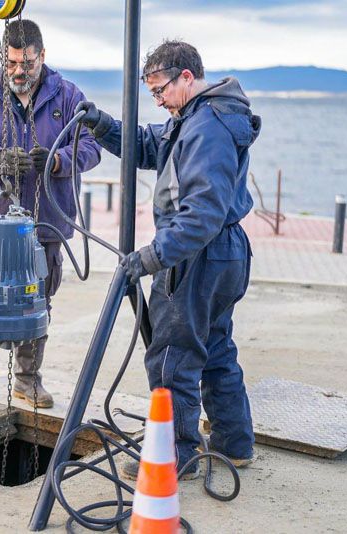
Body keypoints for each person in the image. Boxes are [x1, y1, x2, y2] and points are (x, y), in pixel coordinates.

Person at [78, 40, 260, 479]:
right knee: (214, 348)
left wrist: (152, 257)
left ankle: (175, 456)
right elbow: (148, 144)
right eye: (152, 93)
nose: (157, 101)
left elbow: (202, 212)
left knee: (172, 357)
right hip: (223, 253)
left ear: (186, 77)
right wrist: (102, 126)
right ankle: (234, 446)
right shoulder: (196, 118)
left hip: (197, 256)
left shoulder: (207, 127)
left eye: (160, 91)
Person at [0, 19, 102, 407]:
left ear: (42, 56)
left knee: (38, 301)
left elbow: (90, 146)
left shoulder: (68, 97)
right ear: (3, 57)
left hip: (45, 221)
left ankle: (27, 379)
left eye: (29, 64)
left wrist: (56, 161)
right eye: (14, 63)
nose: (20, 72)